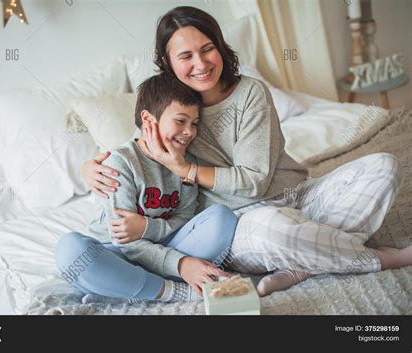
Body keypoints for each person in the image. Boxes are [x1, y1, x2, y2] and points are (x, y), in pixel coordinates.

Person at [82, 5, 412, 297]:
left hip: (296, 197)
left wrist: (188, 170)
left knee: (384, 167)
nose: (200, 63)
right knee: (276, 228)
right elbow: (141, 148)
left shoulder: (250, 92)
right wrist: (89, 168)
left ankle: (303, 265)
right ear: (168, 63)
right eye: (185, 56)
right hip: (245, 225)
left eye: (207, 49)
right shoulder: (173, 113)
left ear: (221, 48)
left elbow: (254, 179)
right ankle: (377, 259)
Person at [55, 72, 238, 303]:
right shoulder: (120, 162)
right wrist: (181, 264)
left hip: (166, 246)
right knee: (70, 251)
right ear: (149, 120)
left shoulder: (186, 164)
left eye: (194, 123)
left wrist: (147, 228)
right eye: (181, 121)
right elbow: (126, 240)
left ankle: (125, 289)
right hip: (117, 254)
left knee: (222, 218)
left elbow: (184, 218)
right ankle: (172, 290)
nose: (190, 131)